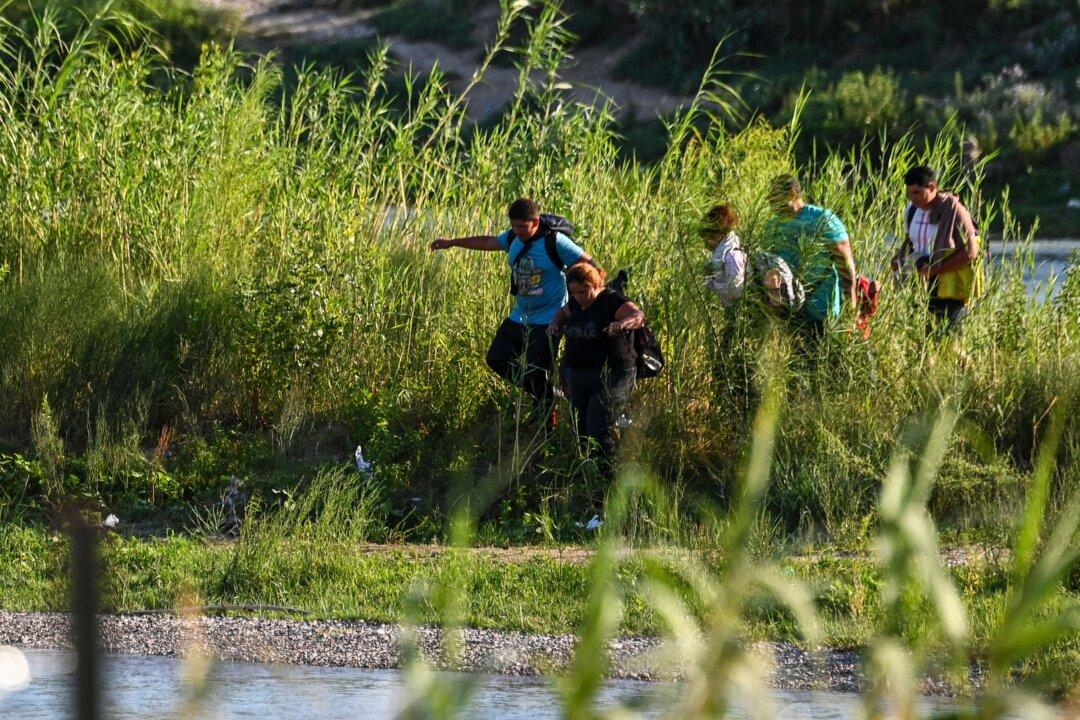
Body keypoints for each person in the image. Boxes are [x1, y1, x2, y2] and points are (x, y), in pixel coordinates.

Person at [430, 198, 594, 422]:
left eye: (522, 226)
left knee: (537, 372)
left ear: (535, 222)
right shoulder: (512, 238)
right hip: (520, 316)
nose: (517, 231)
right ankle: (546, 393)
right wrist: (452, 242)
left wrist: (582, 300)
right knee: (496, 358)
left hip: (549, 318)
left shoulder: (555, 241)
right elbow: (488, 242)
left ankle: (544, 421)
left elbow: (589, 264)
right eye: (514, 226)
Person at [546, 264, 644, 478]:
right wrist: (554, 325)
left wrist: (622, 324)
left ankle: (610, 477)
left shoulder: (611, 300)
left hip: (612, 375)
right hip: (579, 375)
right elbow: (561, 315)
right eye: (574, 292)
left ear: (595, 284)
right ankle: (589, 475)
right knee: (580, 427)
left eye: (582, 291)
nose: (578, 297)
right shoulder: (575, 303)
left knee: (597, 426)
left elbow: (637, 315)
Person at [764, 174, 857, 334]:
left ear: (792, 194)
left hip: (821, 312)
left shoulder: (822, 220)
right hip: (787, 311)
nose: (770, 202)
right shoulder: (773, 225)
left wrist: (851, 308)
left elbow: (845, 265)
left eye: (775, 197)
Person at [891, 165, 982, 329]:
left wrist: (936, 270)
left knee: (948, 337)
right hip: (919, 285)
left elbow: (971, 251)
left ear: (932, 187)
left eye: (917, 192)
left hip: (949, 289)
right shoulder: (911, 211)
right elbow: (909, 241)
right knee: (919, 336)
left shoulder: (955, 210)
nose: (912, 198)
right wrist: (899, 260)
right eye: (909, 193)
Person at [701, 203, 747, 306]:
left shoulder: (731, 257)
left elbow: (736, 292)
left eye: (710, 237)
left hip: (741, 310)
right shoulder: (723, 255)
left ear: (719, 235)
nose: (705, 242)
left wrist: (712, 283)